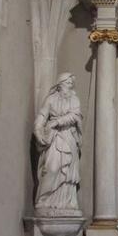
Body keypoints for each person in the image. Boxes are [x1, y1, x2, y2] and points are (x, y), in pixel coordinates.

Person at [34, 73, 82, 215]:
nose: (70, 85)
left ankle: (66, 204)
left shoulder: (74, 99)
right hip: (54, 138)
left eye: (71, 83)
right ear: (60, 84)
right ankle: (44, 200)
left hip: (68, 137)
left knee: (67, 173)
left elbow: (75, 116)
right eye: (68, 82)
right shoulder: (51, 99)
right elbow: (42, 116)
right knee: (52, 168)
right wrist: (38, 130)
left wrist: (57, 121)